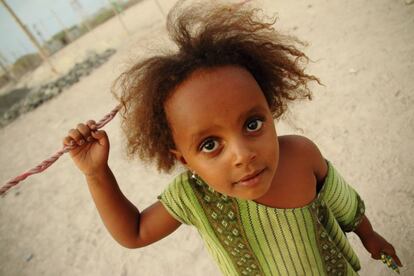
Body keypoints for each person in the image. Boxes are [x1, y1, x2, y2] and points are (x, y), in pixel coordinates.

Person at [63, 1, 402, 275]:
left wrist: (369, 235)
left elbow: (345, 205)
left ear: (270, 110)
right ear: (183, 158)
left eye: (253, 124)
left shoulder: (301, 155)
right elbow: (134, 233)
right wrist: (97, 174)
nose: (242, 154)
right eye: (210, 145)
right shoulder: (193, 196)